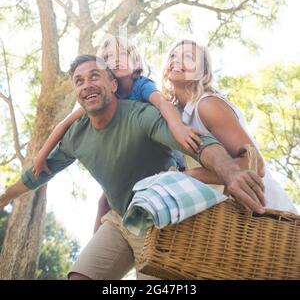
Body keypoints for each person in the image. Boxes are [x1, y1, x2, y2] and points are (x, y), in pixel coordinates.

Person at [0, 54, 266, 280]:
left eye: (94, 76)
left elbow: (199, 143)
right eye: (79, 81)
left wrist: (231, 172)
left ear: (113, 84)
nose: (86, 85)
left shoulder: (141, 116)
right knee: (80, 276)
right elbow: (35, 176)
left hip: (162, 219)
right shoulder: (74, 136)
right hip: (119, 218)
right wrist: (4, 198)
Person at [32, 37, 203, 232]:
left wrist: (179, 128)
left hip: (161, 153)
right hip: (131, 157)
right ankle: (96, 244)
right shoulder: (102, 95)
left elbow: (163, 103)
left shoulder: (141, 85)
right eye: (108, 57)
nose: (116, 59)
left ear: (136, 61)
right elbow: (65, 124)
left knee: (164, 183)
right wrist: (41, 156)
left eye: (122, 54)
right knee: (104, 202)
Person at [162, 39, 297, 213]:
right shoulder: (175, 117)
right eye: (173, 55)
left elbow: (255, 164)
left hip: (270, 217)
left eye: (188, 56)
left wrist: (183, 177)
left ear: (202, 72)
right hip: (227, 224)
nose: (177, 60)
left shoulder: (207, 105)